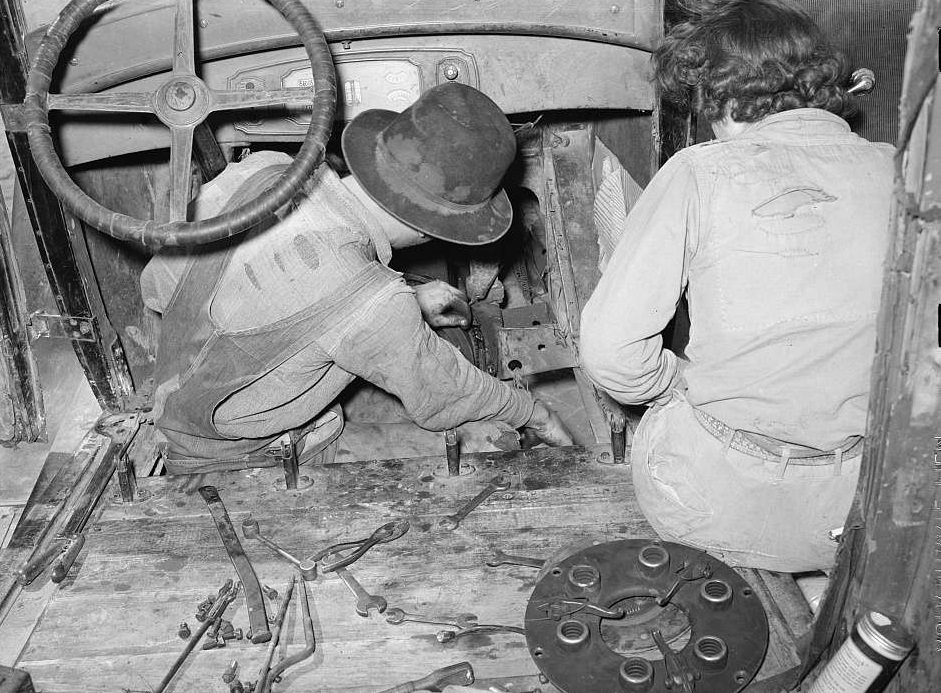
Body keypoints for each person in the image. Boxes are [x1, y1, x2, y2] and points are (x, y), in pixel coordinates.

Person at [580, 0, 893, 572]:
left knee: (668, 405)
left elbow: (610, 356)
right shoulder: (899, 170)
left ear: (722, 98)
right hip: (857, 512)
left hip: (712, 510)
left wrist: (678, 381)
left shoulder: (699, 172)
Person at [141, 82, 572, 472]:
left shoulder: (268, 171)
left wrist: (405, 302)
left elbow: (156, 287)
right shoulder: (376, 310)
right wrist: (536, 413)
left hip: (173, 380)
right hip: (227, 444)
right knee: (473, 447)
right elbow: (445, 396)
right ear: (432, 228)